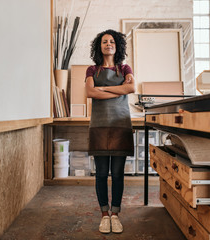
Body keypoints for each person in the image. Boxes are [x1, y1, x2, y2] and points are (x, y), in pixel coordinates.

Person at [85, 29, 135, 234]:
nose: (108, 44)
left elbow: (131, 89)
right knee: (101, 174)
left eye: (111, 41)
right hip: (99, 126)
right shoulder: (92, 70)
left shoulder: (125, 68)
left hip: (120, 126)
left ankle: (115, 214)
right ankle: (104, 215)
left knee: (117, 174)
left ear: (117, 46)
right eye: (104, 41)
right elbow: (89, 92)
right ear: (99, 46)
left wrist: (102, 89)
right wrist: (116, 89)